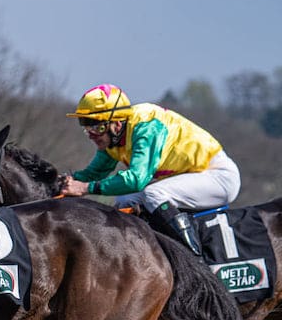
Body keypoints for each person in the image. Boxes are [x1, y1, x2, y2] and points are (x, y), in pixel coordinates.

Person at [58, 84, 241, 256]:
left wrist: (85, 188)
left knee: (154, 193)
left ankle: (193, 258)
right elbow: (92, 174)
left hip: (218, 176)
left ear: (117, 124)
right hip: (191, 176)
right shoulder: (112, 138)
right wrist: (60, 182)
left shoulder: (146, 127)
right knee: (125, 199)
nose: (92, 134)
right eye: (87, 127)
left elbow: (137, 179)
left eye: (97, 126)